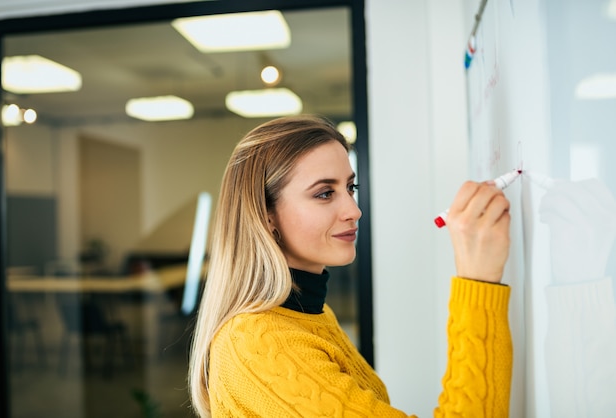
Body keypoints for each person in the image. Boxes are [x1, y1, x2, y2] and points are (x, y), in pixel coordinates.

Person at [188, 115, 513, 417]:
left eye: (350, 188)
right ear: (266, 215)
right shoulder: (259, 343)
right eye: (325, 193)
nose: (354, 210)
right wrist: (477, 282)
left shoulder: (310, 315)